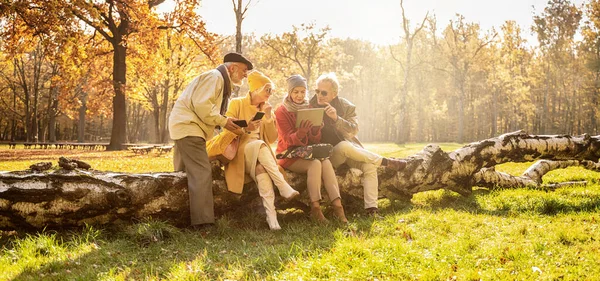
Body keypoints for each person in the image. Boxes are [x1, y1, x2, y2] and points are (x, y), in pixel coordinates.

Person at [207, 71, 300, 230]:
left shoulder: (266, 108)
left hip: (260, 156)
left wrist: (269, 117)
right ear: (256, 89)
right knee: (259, 144)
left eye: (272, 90)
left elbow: (271, 138)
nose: (270, 94)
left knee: (261, 168)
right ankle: (282, 185)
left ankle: (272, 219)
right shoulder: (236, 103)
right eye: (267, 89)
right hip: (241, 151)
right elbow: (227, 131)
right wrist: (247, 129)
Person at [168, 52, 252, 228]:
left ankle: (179, 217)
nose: (246, 74)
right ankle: (203, 223)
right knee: (201, 172)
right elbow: (202, 106)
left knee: (182, 175)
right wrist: (224, 121)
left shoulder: (219, 80)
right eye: (244, 70)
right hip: (189, 127)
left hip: (185, 126)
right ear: (233, 68)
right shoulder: (215, 77)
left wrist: (227, 122)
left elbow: (208, 109)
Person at [309, 72, 407, 216]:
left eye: (324, 92)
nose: (319, 95)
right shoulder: (310, 107)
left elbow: (353, 131)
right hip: (327, 159)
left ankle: (371, 209)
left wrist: (336, 118)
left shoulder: (345, 106)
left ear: (334, 94)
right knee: (343, 146)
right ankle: (385, 161)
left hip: (349, 152)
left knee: (369, 167)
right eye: (317, 91)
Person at [275, 74, 348, 223]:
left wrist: (315, 130)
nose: (300, 95)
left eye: (303, 92)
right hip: (289, 155)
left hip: (307, 152)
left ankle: (338, 207)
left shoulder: (309, 107)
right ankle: (315, 208)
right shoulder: (281, 111)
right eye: (296, 92)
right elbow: (287, 140)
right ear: (289, 93)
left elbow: (314, 140)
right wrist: (300, 133)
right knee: (315, 163)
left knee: (326, 162)